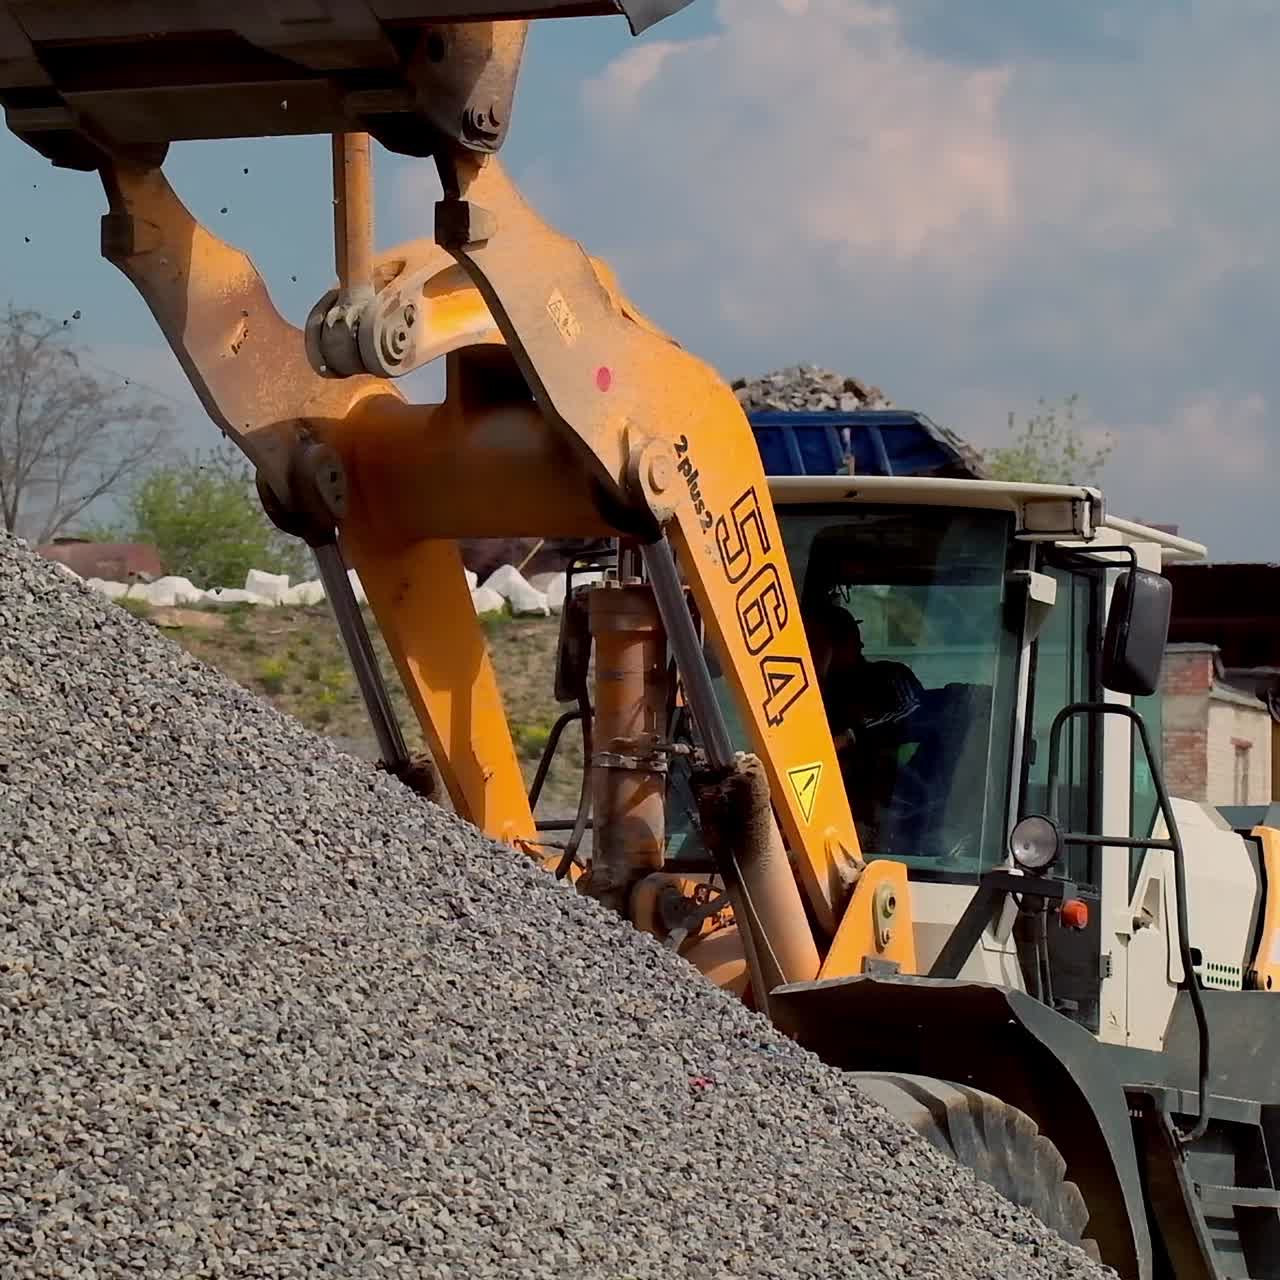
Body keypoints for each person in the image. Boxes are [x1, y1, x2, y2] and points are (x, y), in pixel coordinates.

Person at [803, 600, 924, 754]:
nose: (816, 653)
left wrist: (849, 736)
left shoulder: (891, 675)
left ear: (855, 644)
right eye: (812, 646)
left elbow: (912, 710)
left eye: (826, 645)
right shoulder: (808, 695)